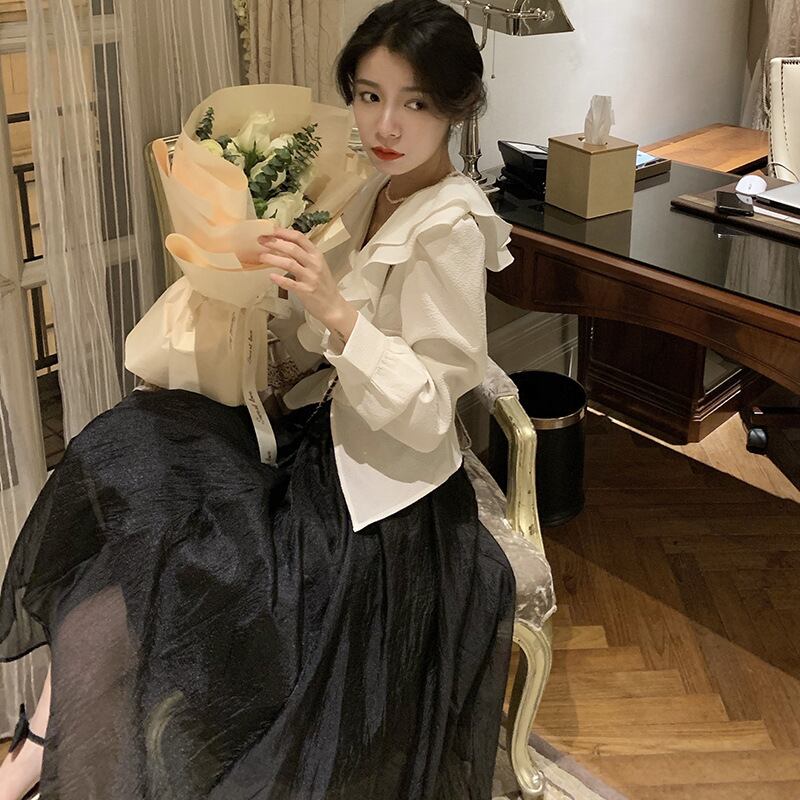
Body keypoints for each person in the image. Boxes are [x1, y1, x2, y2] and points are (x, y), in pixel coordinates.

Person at [0, 1, 516, 797]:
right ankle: (41, 749)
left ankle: (39, 755)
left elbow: (426, 412)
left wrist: (336, 313)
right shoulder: (372, 193)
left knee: (155, 567)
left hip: (385, 513)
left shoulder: (448, 226)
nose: (385, 123)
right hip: (325, 449)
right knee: (133, 454)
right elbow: (317, 343)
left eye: (415, 102)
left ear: (458, 106)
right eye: (369, 94)